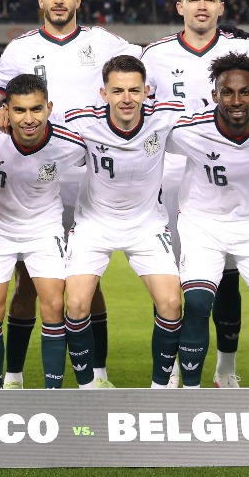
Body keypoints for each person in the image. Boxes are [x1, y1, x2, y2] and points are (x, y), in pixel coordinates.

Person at [0, 0, 141, 388]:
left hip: (84, 174)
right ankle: (12, 376)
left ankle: (96, 374)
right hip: (30, 172)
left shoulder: (102, 42)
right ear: (41, 1)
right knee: (27, 281)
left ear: (78, 0)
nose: (59, 0)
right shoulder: (20, 48)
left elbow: (146, 69)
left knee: (86, 279)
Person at [141, 0, 249, 388]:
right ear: (179, 7)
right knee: (179, 280)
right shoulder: (155, 54)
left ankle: (225, 368)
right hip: (172, 175)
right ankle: (169, 373)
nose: (202, 6)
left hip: (234, 173)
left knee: (231, 278)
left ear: (221, 8)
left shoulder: (244, 49)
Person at [167, 52, 249, 388]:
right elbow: (141, 120)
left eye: (245, 93)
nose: (236, 100)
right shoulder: (188, 128)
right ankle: (191, 395)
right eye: (227, 92)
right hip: (201, 224)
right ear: (214, 95)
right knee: (196, 302)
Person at [62, 55, 185, 388]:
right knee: (74, 303)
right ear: (104, 94)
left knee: (172, 303)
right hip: (93, 224)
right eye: (117, 91)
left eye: (134, 90)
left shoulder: (166, 117)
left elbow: (216, 116)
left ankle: (160, 389)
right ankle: (88, 387)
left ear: (147, 91)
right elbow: (34, 122)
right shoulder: (81, 120)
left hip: (147, 224)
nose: (126, 99)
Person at [0, 74, 87, 388]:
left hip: (44, 227)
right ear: (6, 110)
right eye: (19, 110)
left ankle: (53, 392)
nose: (29, 118)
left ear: (49, 108)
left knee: (52, 304)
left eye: (36, 109)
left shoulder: (71, 142)